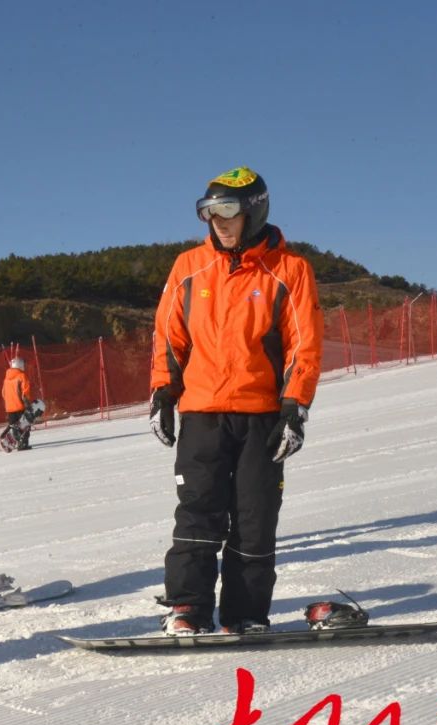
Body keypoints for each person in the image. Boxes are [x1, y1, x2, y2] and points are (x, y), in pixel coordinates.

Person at [148, 166, 322, 636]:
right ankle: (187, 607)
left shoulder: (291, 271)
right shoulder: (189, 266)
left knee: (254, 517)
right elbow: (170, 337)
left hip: (262, 415)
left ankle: (245, 614)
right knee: (198, 512)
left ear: (254, 209)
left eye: (227, 211)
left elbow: (303, 346)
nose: (217, 222)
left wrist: (295, 407)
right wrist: (164, 393)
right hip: (202, 413)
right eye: (208, 213)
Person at [2, 357, 35, 450]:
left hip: (9, 408)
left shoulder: (6, 379)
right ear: (20, 365)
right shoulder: (22, 376)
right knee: (24, 425)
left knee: (14, 427)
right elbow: (25, 392)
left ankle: (12, 442)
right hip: (20, 406)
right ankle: (23, 444)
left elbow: (3, 393)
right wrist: (28, 404)